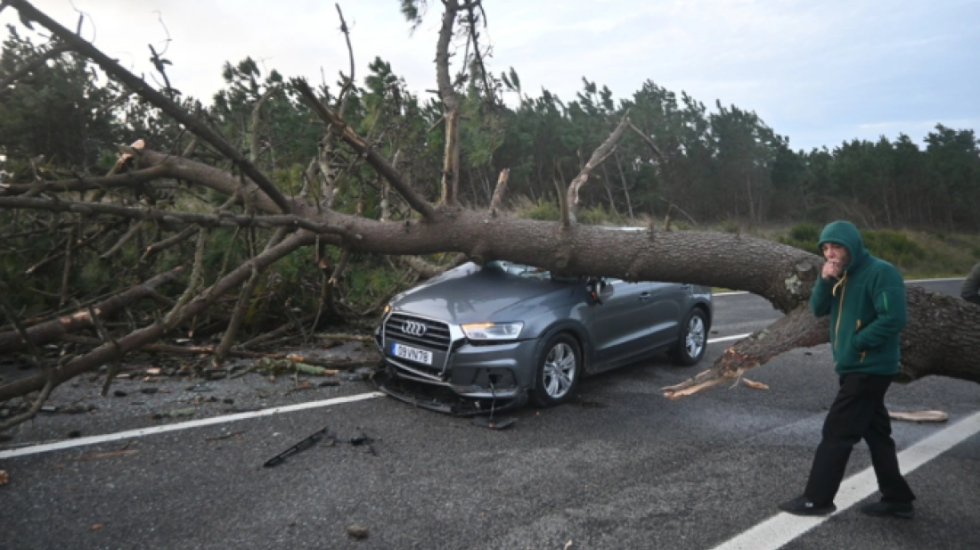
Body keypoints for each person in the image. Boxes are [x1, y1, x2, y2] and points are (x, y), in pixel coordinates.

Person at [779, 220, 916, 519]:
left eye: (836, 246)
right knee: (877, 433)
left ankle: (818, 499)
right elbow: (818, 309)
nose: (831, 253)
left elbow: (894, 318)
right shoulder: (839, 275)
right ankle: (898, 498)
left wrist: (857, 342)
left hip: (870, 368)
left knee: (837, 432)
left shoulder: (881, 272)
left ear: (852, 245)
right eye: (826, 248)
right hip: (854, 365)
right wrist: (825, 280)